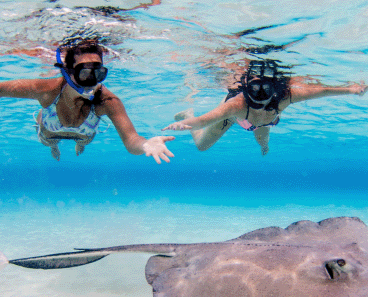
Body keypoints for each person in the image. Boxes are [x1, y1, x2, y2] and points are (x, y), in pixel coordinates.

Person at [0, 39, 174, 163]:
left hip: (84, 134)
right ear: (67, 73)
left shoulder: (108, 101)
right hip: (50, 131)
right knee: (49, 142)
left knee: (83, 141)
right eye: (84, 73)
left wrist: (145, 144)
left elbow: (131, 140)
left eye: (98, 73)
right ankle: (54, 148)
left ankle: (79, 145)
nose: (92, 81)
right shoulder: (47, 90)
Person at [163, 60, 367, 155]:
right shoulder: (236, 105)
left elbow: (321, 91)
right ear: (246, 88)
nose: (259, 97)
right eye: (255, 90)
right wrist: (183, 123)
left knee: (263, 141)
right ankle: (186, 110)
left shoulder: (286, 96)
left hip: (263, 123)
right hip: (239, 117)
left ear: (274, 89)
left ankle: (263, 146)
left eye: (265, 90)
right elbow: (204, 120)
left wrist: (351, 90)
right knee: (202, 146)